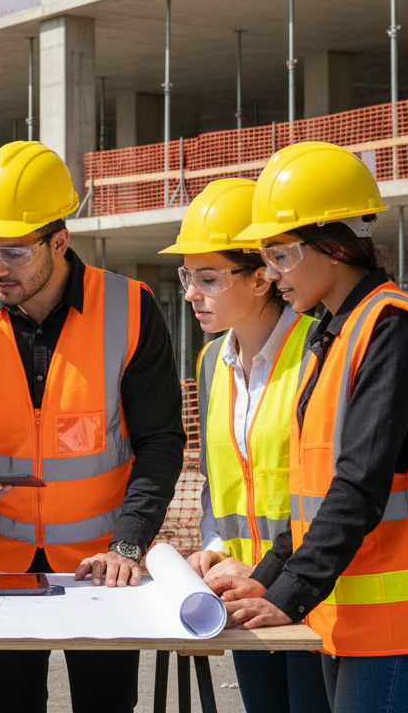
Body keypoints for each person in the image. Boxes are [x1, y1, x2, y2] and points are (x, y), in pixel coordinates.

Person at [0, 140, 186, 713]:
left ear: (59, 241)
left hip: (102, 566)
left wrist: (129, 542)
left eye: (13, 252)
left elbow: (161, 441)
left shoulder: (131, 308)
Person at [211, 141, 408, 713]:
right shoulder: (331, 334)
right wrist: (269, 575)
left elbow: (359, 485)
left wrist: (289, 593)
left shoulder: (391, 327)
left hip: (401, 621)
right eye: (266, 258)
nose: (272, 275)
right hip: (350, 609)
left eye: (282, 255)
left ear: (335, 244)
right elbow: (316, 493)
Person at [159, 177, 328, 713]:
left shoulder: (320, 351)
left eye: (207, 277)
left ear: (261, 278)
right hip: (240, 594)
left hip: (314, 591)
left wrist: (266, 575)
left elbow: (333, 493)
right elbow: (221, 484)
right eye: (187, 275)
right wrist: (213, 548)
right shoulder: (212, 363)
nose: (190, 292)